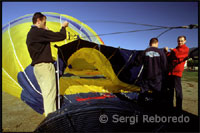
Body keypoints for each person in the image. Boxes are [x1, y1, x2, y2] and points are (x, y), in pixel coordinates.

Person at [26, 12, 69, 116]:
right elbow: (61, 36)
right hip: (45, 67)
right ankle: (52, 123)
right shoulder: (38, 32)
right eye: (44, 22)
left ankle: (51, 118)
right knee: (50, 95)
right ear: (38, 21)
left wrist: (45, 31)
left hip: (37, 68)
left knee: (47, 95)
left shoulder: (31, 33)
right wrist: (63, 27)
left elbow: (42, 45)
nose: (45, 25)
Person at [164, 36, 189, 111]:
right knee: (170, 90)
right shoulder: (176, 49)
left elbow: (178, 55)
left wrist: (173, 50)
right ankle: (170, 105)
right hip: (170, 72)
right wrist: (166, 52)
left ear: (185, 41)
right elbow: (169, 57)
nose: (180, 42)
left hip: (177, 73)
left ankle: (178, 108)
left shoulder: (185, 49)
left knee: (178, 91)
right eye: (178, 41)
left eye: (181, 41)